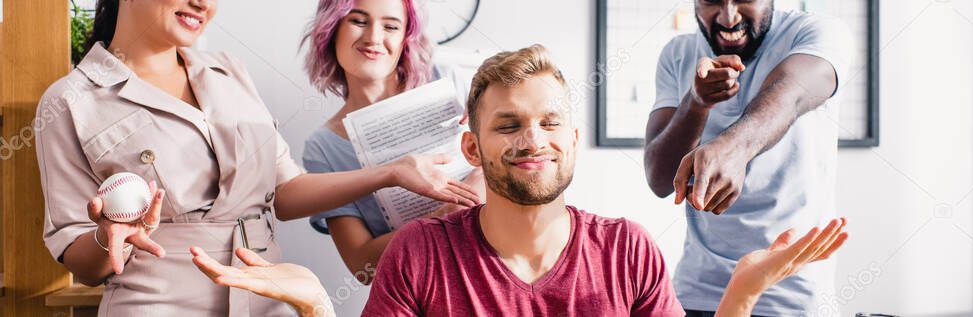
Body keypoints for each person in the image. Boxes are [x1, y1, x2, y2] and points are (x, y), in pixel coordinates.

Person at [191, 45, 849, 317]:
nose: (531, 138)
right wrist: (315, 303)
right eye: (508, 125)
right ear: (472, 149)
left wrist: (743, 290)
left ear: (572, 141)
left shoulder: (628, 252)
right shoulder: (419, 255)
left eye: (547, 122)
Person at [36, 0, 476, 315]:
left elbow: (284, 193)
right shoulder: (72, 101)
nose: (202, 3)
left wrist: (390, 174)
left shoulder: (229, 71)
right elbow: (80, 257)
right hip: (158, 303)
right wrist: (107, 238)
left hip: (267, 296)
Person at [642, 0, 851, 315]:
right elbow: (659, 178)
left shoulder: (817, 33)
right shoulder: (678, 53)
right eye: (712, 1)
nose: (728, 17)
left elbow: (790, 96)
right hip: (699, 294)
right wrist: (696, 103)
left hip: (792, 297)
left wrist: (733, 148)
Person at [296, 0, 484, 284]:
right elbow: (363, 266)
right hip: (422, 292)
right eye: (358, 21)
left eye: (391, 26)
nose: (373, 38)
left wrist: (483, 172)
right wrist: (444, 217)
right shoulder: (323, 148)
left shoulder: (448, 80)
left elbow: (517, 158)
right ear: (332, 29)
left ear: (405, 38)